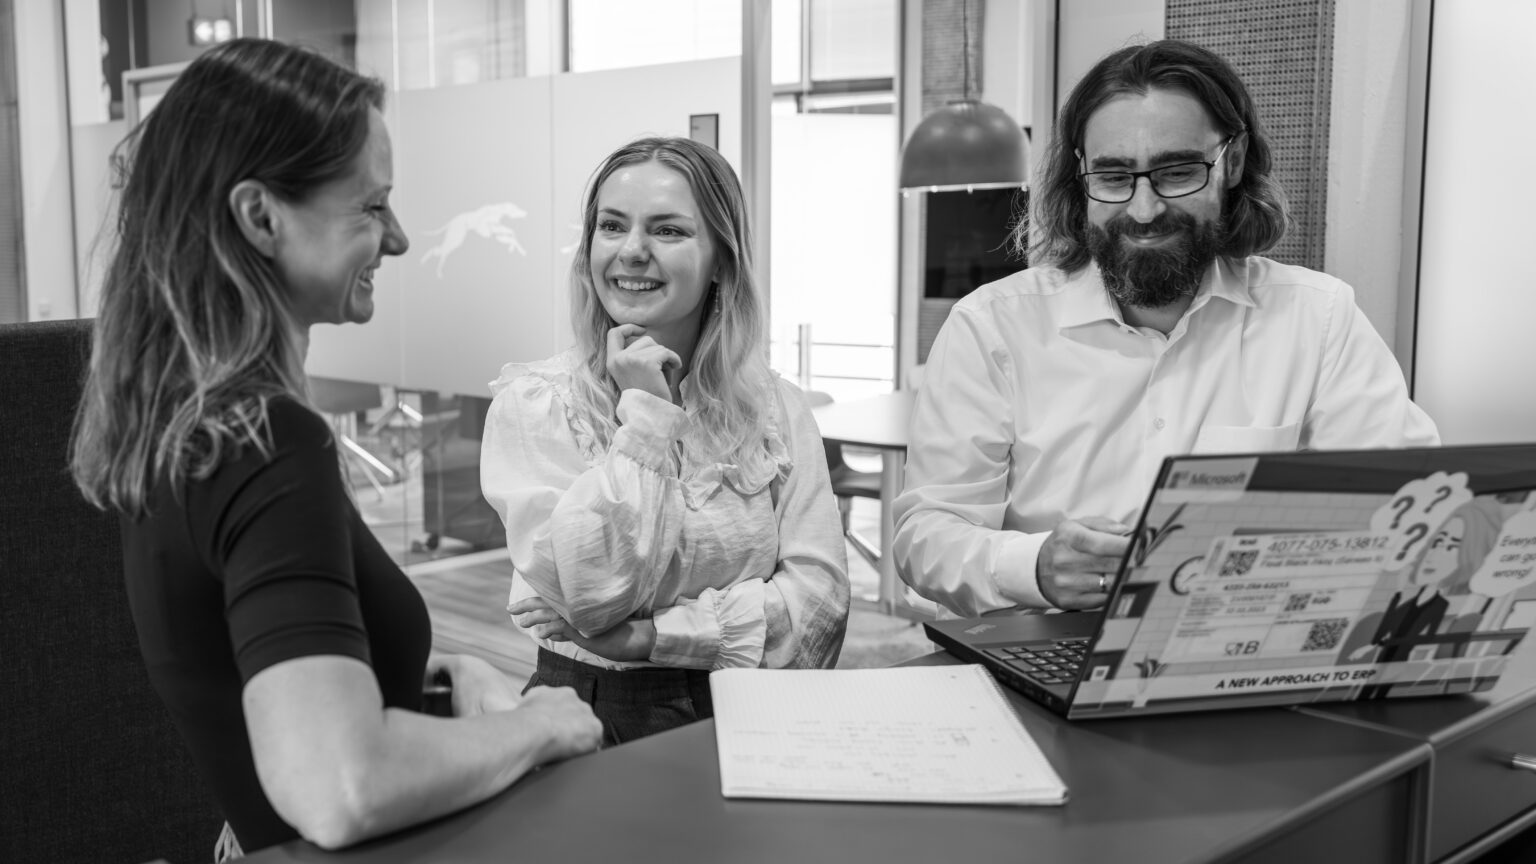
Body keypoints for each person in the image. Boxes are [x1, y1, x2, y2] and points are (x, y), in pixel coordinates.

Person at [69, 39, 601, 858]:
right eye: (370, 207)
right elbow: (337, 785)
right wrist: (537, 724)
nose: (397, 239)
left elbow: (254, 671)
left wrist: (429, 671)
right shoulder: (266, 440)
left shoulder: (179, 422)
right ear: (259, 215)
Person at [893, 39, 1440, 619]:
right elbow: (926, 534)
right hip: (1043, 648)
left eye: (1177, 172)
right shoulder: (992, 327)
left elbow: (1411, 507)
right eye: (1113, 177)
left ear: (1231, 162)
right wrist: (1035, 567)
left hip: (1244, 650)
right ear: (1081, 178)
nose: (1145, 209)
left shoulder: (1318, 317)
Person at [480, 136, 850, 746]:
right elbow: (591, 594)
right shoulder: (537, 403)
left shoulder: (776, 408)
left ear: (721, 261)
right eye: (611, 226)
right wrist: (647, 420)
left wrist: (650, 637)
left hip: (756, 705)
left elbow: (820, 603)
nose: (631, 252)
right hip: (592, 712)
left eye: (668, 231)